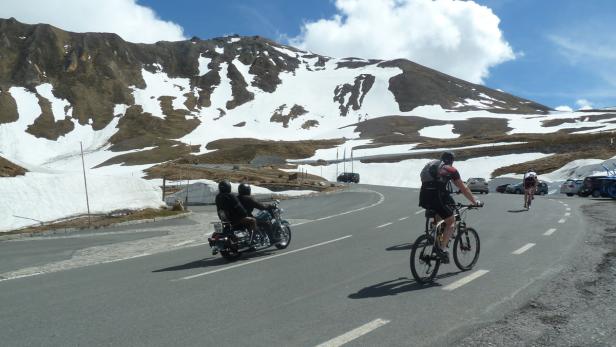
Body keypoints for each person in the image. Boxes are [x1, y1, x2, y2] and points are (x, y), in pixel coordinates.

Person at [419, 151, 482, 263]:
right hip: (437, 197)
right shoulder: (451, 170)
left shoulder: (433, 165)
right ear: (452, 161)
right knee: (451, 222)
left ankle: (437, 239)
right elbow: (464, 188)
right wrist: (474, 201)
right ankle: (441, 250)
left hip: (424, 197)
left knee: (441, 214)